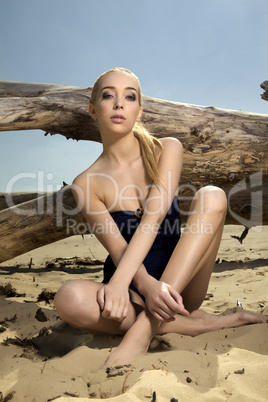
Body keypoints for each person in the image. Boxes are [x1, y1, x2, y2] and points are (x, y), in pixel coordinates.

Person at [54, 67, 265, 368]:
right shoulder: (86, 183)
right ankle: (193, 324)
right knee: (68, 298)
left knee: (213, 195)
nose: (118, 104)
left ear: (139, 111)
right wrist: (138, 287)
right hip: (130, 292)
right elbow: (118, 249)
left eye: (129, 97)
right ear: (93, 109)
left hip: (182, 289)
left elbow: (153, 220)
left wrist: (160, 290)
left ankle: (142, 331)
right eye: (108, 96)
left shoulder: (166, 148)